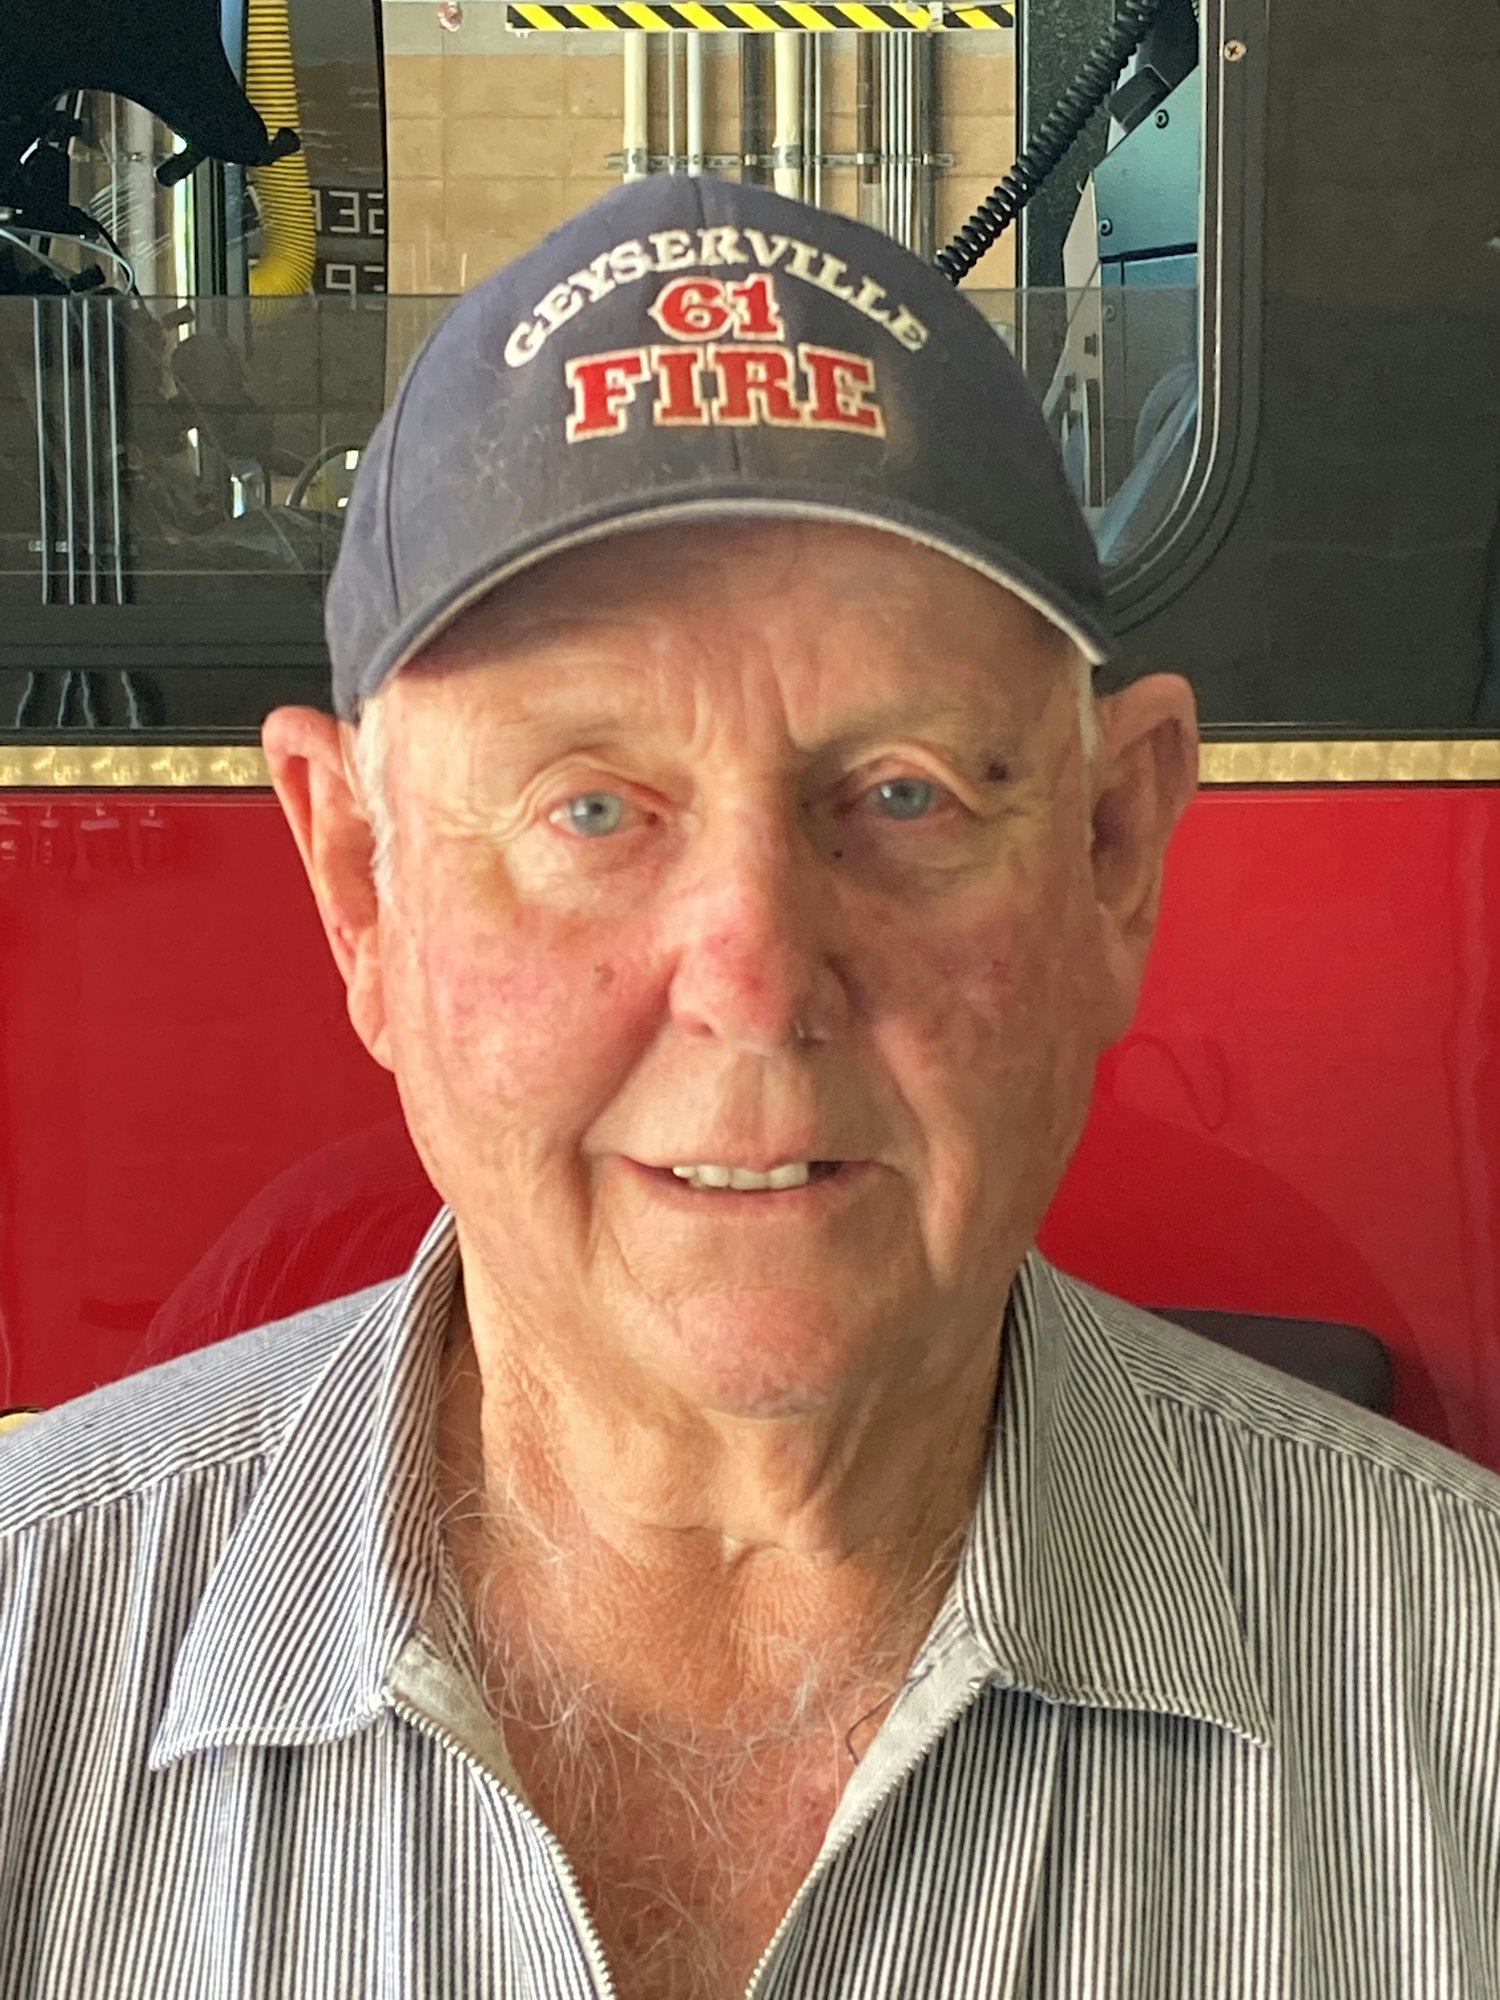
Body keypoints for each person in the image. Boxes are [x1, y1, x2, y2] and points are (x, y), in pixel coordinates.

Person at [2, 175, 1498, 2000]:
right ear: (360, 888)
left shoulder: (1464, 1694)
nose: (759, 984)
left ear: (1116, 853)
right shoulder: (26, 1651)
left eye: (903, 795)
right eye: (590, 809)